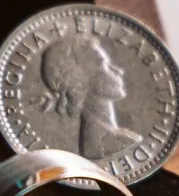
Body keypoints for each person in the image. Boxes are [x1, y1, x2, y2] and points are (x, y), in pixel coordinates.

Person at [37, 34, 142, 162]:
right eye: (103, 63)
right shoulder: (107, 143)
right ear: (79, 81)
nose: (119, 71)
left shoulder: (111, 137)